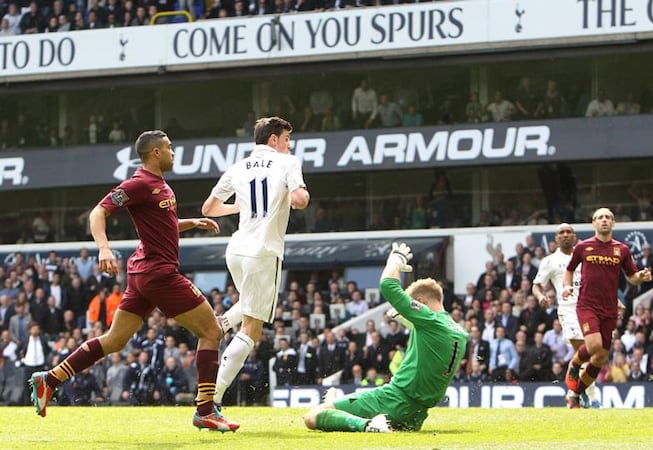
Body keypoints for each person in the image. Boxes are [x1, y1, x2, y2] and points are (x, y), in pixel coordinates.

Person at [29, 130, 239, 432]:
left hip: (143, 273)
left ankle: (49, 379)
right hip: (158, 273)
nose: (173, 152)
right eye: (168, 148)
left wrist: (190, 223)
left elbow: (161, 227)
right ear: (155, 153)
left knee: (114, 341)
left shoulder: (160, 186)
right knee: (212, 330)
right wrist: (103, 248)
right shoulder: (139, 184)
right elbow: (98, 212)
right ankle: (206, 410)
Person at [201, 116, 309, 406]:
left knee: (248, 305)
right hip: (263, 251)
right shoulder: (288, 163)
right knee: (253, 327)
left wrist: (238, 205)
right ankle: (213, 396)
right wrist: (296, 195)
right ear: (273, 140)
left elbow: (208, 208)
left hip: (235, 250)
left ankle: (222, 323)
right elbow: (300, 200)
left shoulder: (237, 168)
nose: (288, 145)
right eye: (286, 139)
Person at [304, 242, 468, 432]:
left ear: (421, 302)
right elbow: (433, 344)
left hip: (394, 399)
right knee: (333, 406)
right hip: (415, 416)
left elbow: (388, 285)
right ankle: (333, 400)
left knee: (312, 417)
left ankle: (368, 426)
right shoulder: (459, 333)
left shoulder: (429, 320)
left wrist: (395, 260)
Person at [562, 208, 652, 408]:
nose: (604, 220)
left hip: (609, 308)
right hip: (587, 305)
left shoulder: (622, 249)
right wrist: (567, 287)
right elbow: (569, 270)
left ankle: (575, 395)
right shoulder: (583, 247)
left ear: (613, 223)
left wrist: (641, 277)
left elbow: (632, 277)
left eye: (608, 217)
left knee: (601, 357)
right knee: (593, 346)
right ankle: (575, 364)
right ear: (594, 223)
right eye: (600, 217)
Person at [532, 223, 599, 408]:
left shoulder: (586, 256)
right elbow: (536, 285)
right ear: (556, 238)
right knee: (584, 350)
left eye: (569, 232)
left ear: (575, 236)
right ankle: (593, 398)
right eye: (561, 232)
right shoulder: (550, 261)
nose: (566, 235)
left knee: (594, 353)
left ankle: (575, 392)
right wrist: (540, 297)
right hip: (568, 310)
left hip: (590, 308)